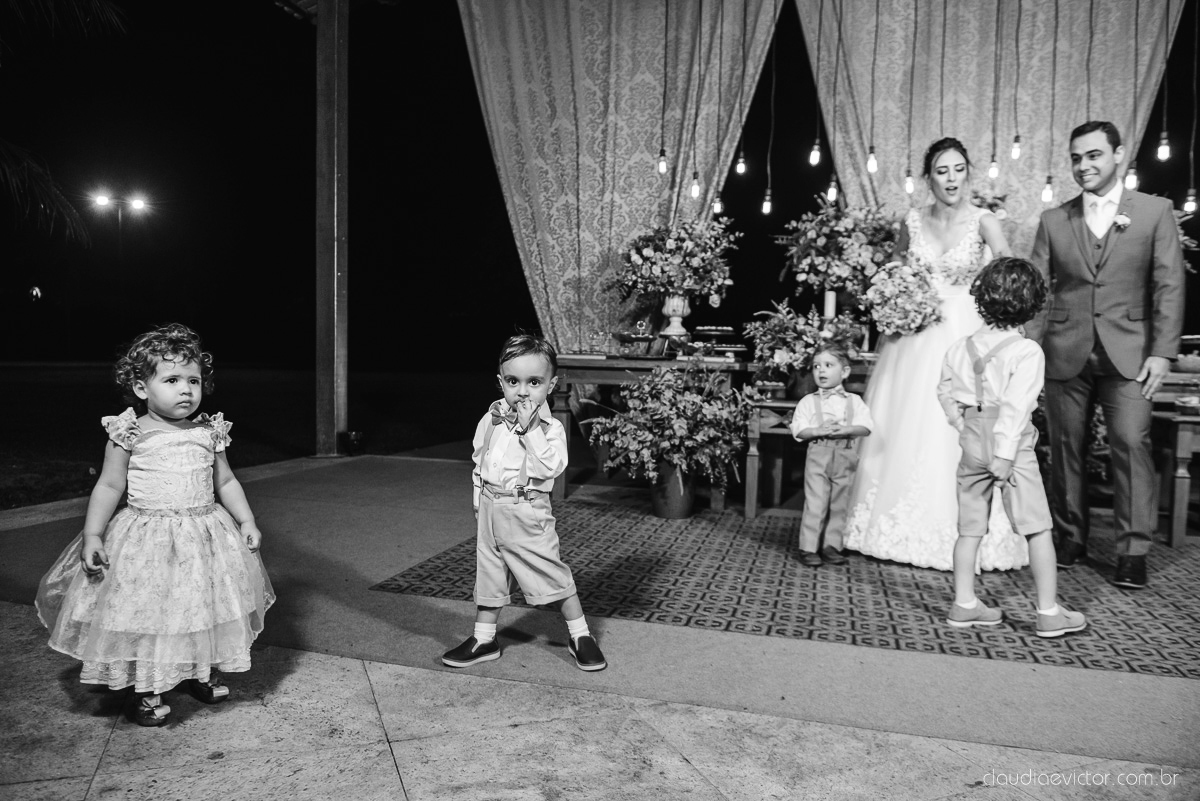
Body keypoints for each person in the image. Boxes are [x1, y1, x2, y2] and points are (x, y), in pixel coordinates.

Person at [35, 324, 274, 727]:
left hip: (203, 535)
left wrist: (246, 518)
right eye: (172, 380)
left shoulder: (207, 432)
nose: (186, 390)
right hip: (147, 538)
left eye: (193, 380)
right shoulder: (130, 432)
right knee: (151, 612)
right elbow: (110, 485)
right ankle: (148, 686)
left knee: (200, 605)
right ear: (143, 388)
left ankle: (199, 670)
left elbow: (226, 481)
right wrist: (93, 533)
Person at [846, 137, 1028, 571]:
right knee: (907, 417)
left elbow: (1008, 276)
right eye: (942, 171)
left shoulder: (984, 221)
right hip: (915, 334)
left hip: (966, 331)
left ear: (968, 173)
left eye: (959, 169)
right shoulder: (912, 220)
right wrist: (895, 296)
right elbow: (894, 268)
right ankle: (888, 522)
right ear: (929, 178)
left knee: (958, 426)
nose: (951, 178)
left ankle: (966, 530)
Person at [1027, 121, 1186, 589]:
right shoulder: (1055, 220)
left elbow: (1169, 285)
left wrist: (1163, 353)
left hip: (1132, 354)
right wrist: (1027, 353)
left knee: (1131, 445)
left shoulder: (1155, 212)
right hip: (1063, 351)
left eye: (1094, 155)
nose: (1084, 166)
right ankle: (1070, 537)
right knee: (1064, 449)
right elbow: (1037, 292)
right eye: (1076, 158)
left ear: (1118, 155)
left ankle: (1132, 550)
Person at [938, 257, 1087, 637]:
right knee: (1037, 528)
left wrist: (962, 425)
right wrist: (1004, 455)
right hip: (1012, 448)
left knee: (969, 529)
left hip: (972, 438)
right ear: (1033, 303)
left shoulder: (960, 346)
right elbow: (1016, 407)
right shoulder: (1026, 352)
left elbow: (945, 392)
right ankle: (1048, 611)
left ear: (981, 298)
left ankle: (965, 604)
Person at [442, 334, 607, 672]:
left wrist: (531, 430)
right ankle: (484, 638)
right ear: (501, 382)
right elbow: (480, 460)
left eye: (534, 382)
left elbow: (550, 467)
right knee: (490, 574)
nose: (523, 391)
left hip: (526, 509)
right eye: (513, 381)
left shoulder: (551, 429)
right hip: (491, 507)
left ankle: (581, 635)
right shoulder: (491, 419)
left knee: (548, 571)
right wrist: (479, 501)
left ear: (551, 384)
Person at [789, 344, 874, 567]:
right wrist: (817, 431)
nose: (821, 371)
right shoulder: (808, 402)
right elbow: (798, 429)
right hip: (819, 453)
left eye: (828, 365)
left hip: (845, 455)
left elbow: (866, 427)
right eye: (817, 366)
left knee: (839, 503)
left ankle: (831, 545)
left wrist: (846, 429)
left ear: (844, 372)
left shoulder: (854, 401)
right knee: (816, 502)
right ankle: (808, 547)